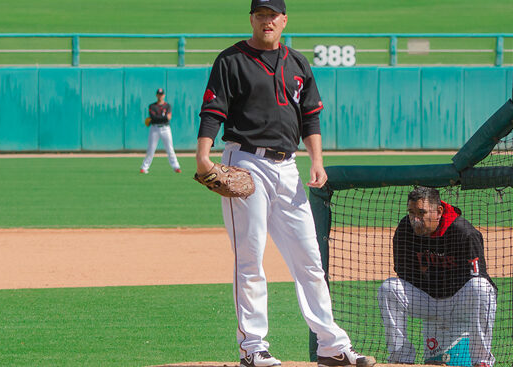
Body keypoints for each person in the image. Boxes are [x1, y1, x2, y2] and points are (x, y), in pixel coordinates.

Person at [195, 1, 376, 366]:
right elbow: (213, 110)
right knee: (250, 259)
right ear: (252, 19)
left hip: (288, 167)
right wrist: (203, 156)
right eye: (260, 15)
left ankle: (331, 345)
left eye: (273, 15)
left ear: (284, 20)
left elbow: (310, 116)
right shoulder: (231, 60)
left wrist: (318, 159)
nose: (267, 21)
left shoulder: (298, 63)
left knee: (309, 260)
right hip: (245, 162)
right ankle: (253, 347)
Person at [377, 186, 497, 366]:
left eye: (421, 212)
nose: (415, 219)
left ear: (438, 211)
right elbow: (403, 272)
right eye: (411, 212)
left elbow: (477, 277)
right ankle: (401, 360)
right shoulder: (405, 229)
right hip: (427, 300)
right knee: (389, 288)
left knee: (482, 287)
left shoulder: (464, 233)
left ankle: (481, 361)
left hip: (459, 302)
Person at [140, 88, 181, 174]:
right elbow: (154, 118)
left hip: (166, 128)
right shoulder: (152, 106)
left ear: (164, 95)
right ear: (156, 95)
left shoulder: (167, 106)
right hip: (154, 129)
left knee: (170, 148)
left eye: (161, 94)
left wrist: (159, 118)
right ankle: (144, 167)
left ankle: (176, 167)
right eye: (159, 94)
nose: (160, 96)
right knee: (151, 149)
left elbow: (166, 118)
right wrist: (164, 117)